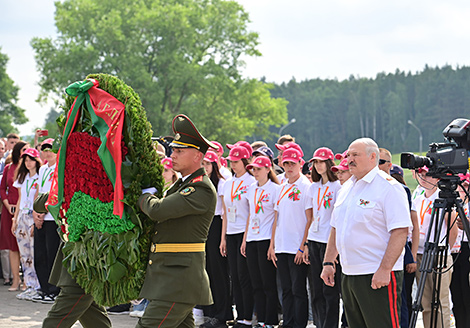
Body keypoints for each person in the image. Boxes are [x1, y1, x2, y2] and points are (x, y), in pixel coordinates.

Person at [321, 137, 411, 328]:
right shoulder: (346, 188)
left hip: (376, 275)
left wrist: (385, 270)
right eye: (348, 155)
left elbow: (400, 231)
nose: (349, 159)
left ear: (372, 157)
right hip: (349, 274)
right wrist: (329, 262)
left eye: (355, 155)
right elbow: (336, 228)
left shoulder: (389, 187)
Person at [137, 114, 217, 327]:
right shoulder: (181, 185)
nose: (172, 155)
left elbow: (158, 210)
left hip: (178, 280)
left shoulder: (200, 188)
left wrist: (143, 195)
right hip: (172, 277)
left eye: (180, 151)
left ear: (197, 156)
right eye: (173, 150)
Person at [268, 147, 312, 328]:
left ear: (300, 163)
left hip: (297, 247)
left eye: (293, 163)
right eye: (286, 163)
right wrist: (272, 245)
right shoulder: (282, 186)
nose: (289, 167)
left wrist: (303, 246)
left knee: (298, 290)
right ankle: (288, 322)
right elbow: (276, 218)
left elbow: (310, 219)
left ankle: (299, 323)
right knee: (286, 289)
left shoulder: (306, 187)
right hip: (282, 245)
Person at [411, 167, 457, 328]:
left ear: (437, 178)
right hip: (421, 253)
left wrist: (446, 251)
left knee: (441, 299)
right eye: (421, 175)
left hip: (439, 253)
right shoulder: (418, 197)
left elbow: (452, 228)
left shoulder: (441, 196)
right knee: (425, 300)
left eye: (428, 175)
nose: (423, 178)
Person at [304, 147, 341, 328]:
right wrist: (305, 244)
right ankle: (319, 323)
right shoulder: (312, 187)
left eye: (321, 161)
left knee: (330, 289)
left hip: (329, 241)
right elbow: (310, 217)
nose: (318, 165)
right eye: (315, 162)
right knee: (316, 289)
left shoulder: (337, 187)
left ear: (329, 162)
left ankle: (330, 324)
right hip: (314, 239)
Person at [241, 156, 280, 328]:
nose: (255, 172)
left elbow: (276, 218)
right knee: (255, 283)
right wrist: (245, 239)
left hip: (265, 239)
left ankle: (271, 320)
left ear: (267, 169)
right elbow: (250, 214)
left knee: (268, 283)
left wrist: (272, 244)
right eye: (253, 169)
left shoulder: (275, 189)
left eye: (258, 169)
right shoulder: (251, 189)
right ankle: (261, 319)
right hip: (252, 238)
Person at [220, 144, 255, 328]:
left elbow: (251, 212)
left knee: (244, 276)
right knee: (234, 275)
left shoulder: (251, 182)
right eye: (230, 162)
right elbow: (225, 212)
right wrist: (223, 238)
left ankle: (247, 316)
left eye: (236, 161)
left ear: (244, 161)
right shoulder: (228, 183)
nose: (233, 165)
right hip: (231, 232)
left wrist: (245, 238)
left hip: (244, 232)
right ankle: (239, 314)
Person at [201, 150, 232, 328]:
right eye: (203, 164)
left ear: (215, 165)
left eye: (208, 164)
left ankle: (223, 313)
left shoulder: (221, 183)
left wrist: (223, 239)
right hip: (205, 225)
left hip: (218, 225)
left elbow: (225, 212)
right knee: (208, 271)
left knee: (219, 273)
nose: (205, 167)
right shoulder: (202, 182)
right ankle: (211, 312)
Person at [32, 139, 61, 304]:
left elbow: (55, 191)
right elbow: (38, 190)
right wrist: (36, 211)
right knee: (40, 254)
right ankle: (43, 288)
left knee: (52, 254)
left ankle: (54, 290)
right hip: (40, 216)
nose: (48, 152)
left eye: (51, 149)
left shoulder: (59, 167)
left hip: (52, 217)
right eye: (45, 149)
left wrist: (43, 211)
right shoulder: (42, 169)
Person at [11, 148, 42, 301]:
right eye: (26, 159)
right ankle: (29, 286)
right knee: (24, 254)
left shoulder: (39, 176)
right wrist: (15, 220)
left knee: (35, 252)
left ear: (37, 160)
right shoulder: (22, 178)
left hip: (32, 215)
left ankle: (38, 286)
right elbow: (19, 199)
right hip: (22, 215)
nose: (28, 162)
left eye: (31, 159)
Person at [0, 141, 28, 291]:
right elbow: (2, 188)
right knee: (12, 247)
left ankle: (26, 281)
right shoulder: (8, 167)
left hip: (23, 210)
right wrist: (6, 204)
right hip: (8, 210)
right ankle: (15, 280)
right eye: (24, 150)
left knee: (24, 246)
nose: (26, 152)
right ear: (17, 151)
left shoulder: (28, 169)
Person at [452, 173, 470, 328]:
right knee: (457, 297)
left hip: (467, 249)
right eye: (460, 185)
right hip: (453, 250)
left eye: (465, 185)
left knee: (467, 296)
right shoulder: (452, 201)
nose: (462, 189)